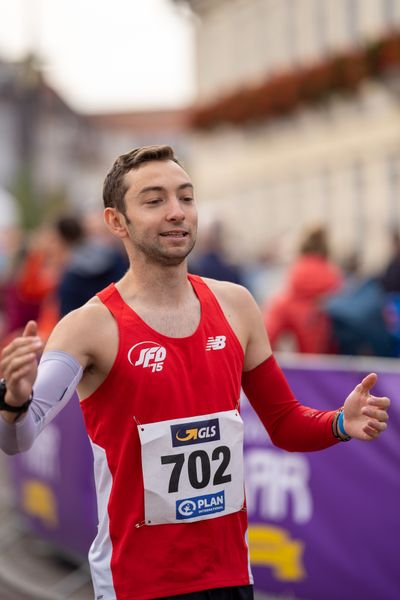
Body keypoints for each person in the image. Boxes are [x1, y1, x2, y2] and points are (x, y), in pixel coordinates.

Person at [0, 146, 390, 600]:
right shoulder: (89, 326)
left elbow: (285, 423)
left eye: (186, 197)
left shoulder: (237, 305)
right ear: (116, 222)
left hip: (227, 575)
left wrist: (341, 423)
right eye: (154, 200)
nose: (176, 212)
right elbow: (17, 438)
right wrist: (14, 398)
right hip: (135, 582)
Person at [264, 226, 342, 353]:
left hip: (298, 371)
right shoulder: (341, 294)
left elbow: (266, 340)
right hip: (335, 371)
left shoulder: (284, 300)